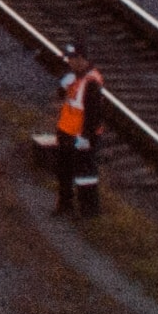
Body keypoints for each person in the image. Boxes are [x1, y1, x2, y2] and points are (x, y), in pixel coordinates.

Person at [51, 45, 108, 217]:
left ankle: (89, 211)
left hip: (81, 136)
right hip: (66, 131)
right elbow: (66, 98)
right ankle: (65, 205)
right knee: (64, 170)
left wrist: (86, 138)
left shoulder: (91, 83)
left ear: (81, 59)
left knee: (85, 175)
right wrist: (63, 86)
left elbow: (94, 115)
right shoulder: (74, 77)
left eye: (72, 59)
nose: (69, 63)